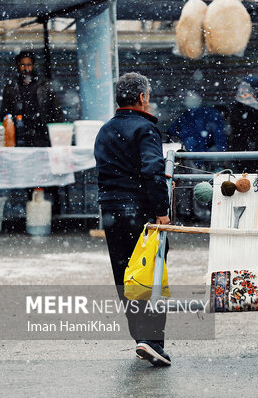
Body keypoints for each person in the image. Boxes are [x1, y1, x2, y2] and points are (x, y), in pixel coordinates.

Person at [94, 72, 172, 367]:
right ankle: (151, 341)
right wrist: (162, 211)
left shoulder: (104, 130)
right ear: (141, 98)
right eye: (148, 96)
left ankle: (141, 337)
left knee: (125, 276)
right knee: (151, 273)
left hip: (111, 213)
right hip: (140, 213)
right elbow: (153, 171)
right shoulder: (145, 129)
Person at [0, 50, 63, 147]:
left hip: (42, 134)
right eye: (23, 65)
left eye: (29, 64)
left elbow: (56, 110)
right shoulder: (11, 88)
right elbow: (4, 112)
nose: (26, 68)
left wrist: (55, 132)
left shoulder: (44, 85)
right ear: (18, 66)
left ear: (33, 65)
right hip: (19, 135)